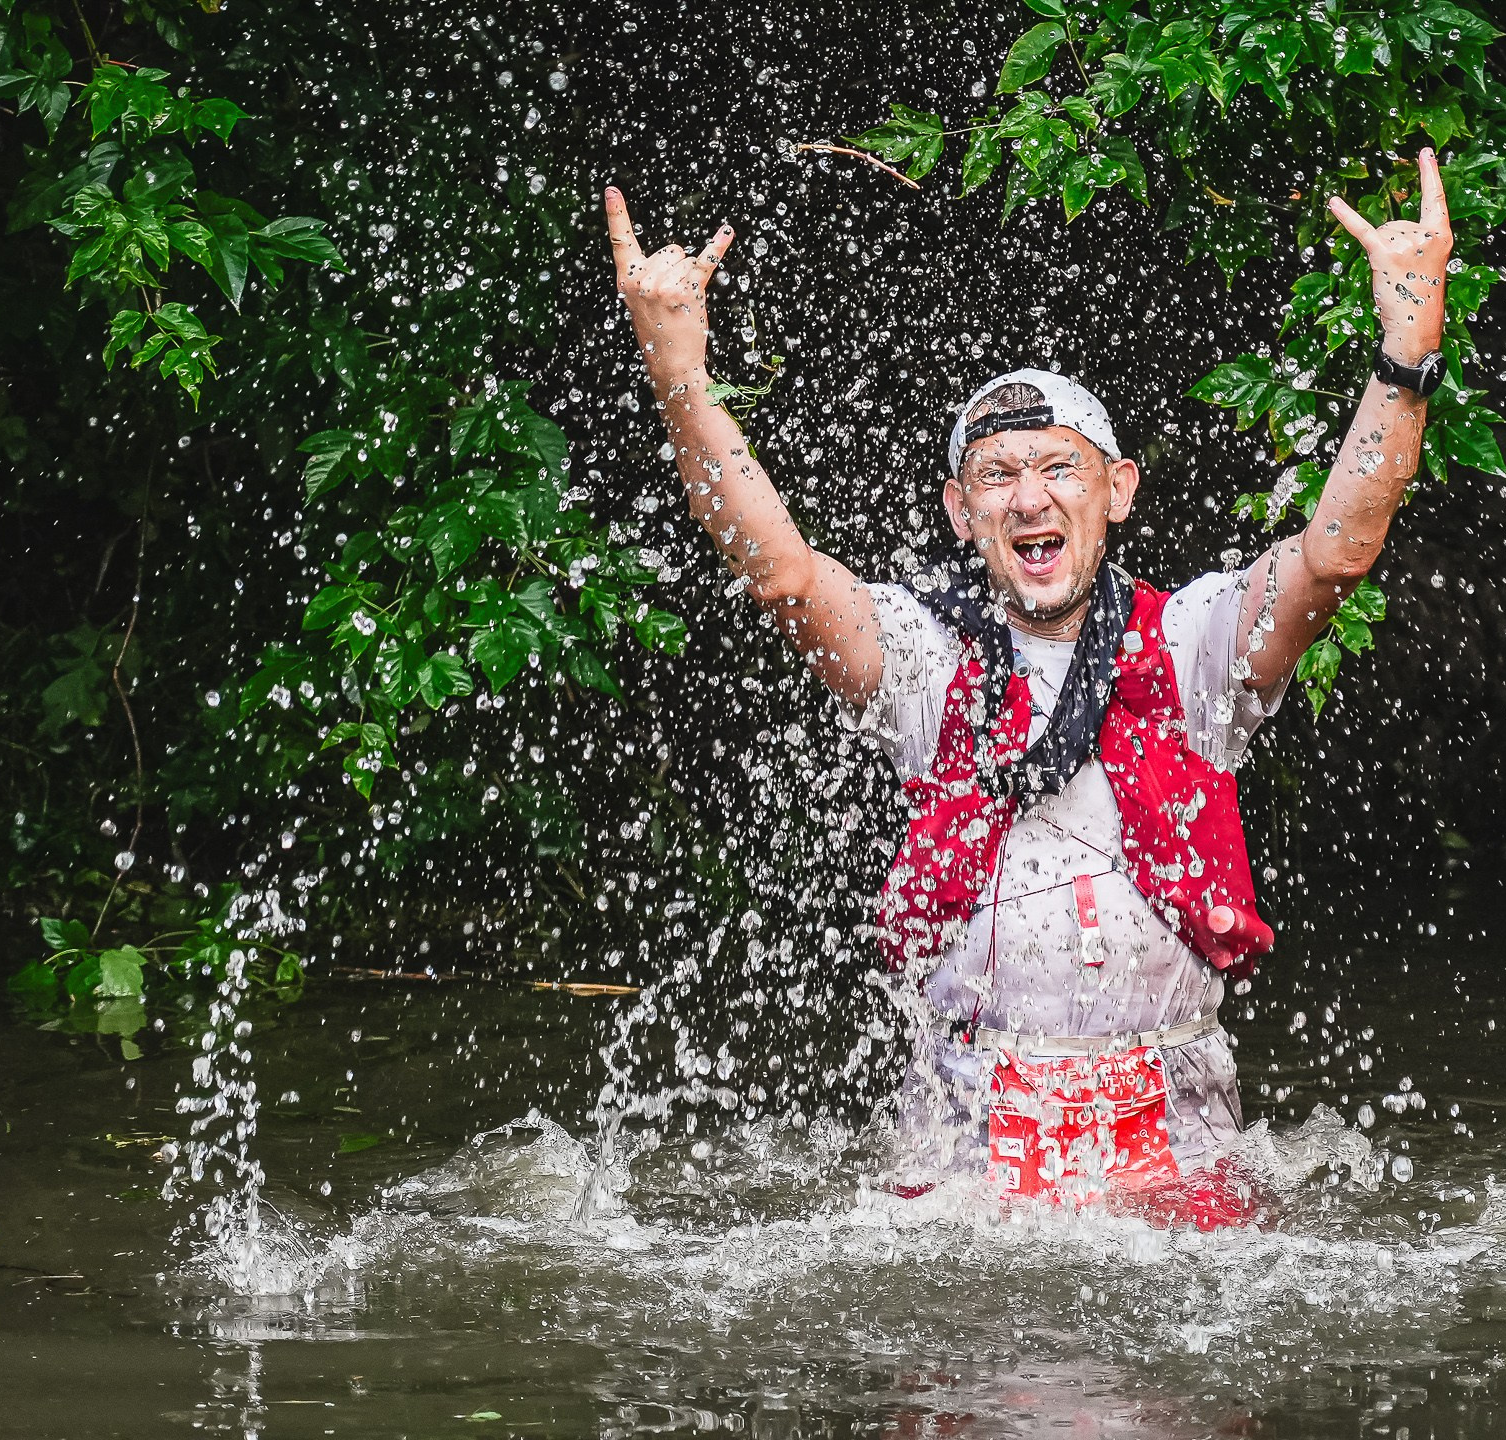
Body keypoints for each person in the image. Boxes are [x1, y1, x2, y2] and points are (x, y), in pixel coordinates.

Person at [602, 149, 1453, 1226]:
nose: (1029, 497)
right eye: (998, 475)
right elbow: (781, 574)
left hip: (1173, 1135)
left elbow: (1335, 557)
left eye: (1059, 468)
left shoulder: (1193, 644)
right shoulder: (923, 656)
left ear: (1118, 491)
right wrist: (678, 371)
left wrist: (1408, 347)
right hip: (966, 1150)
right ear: (962, 514)